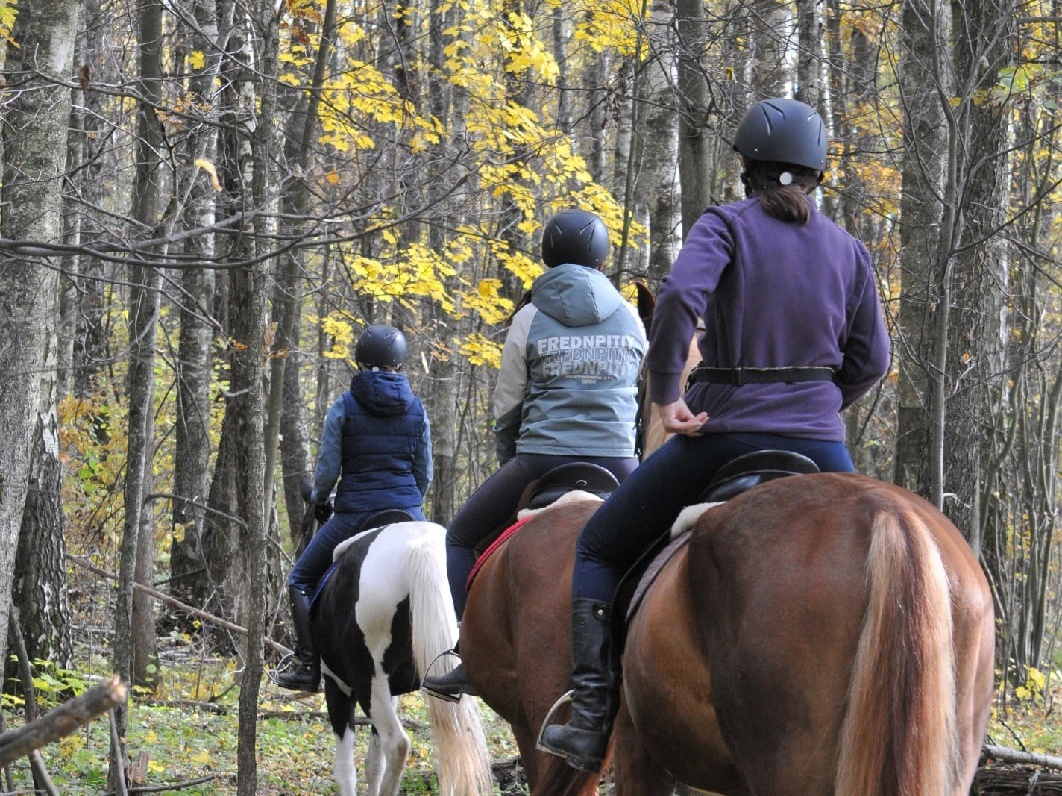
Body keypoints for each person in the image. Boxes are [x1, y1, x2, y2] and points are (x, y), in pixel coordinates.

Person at [538, 97, 892, 771]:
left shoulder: (725, 227)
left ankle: (589, 719)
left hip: (724, 432)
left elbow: (676, 300)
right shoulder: (848, 250)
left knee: (601, 544)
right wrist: (818, 402)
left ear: (747, 170)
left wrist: (668, 394)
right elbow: (872, 359)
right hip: (821, 447)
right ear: (816, 173)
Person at [420, 208, 648, 701]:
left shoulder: (530, 315)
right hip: (618, 459)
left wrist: (512, 458)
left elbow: (508, 402)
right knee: (664, 542)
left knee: (459, 536)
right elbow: (638, 390)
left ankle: (467, 655)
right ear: (603, 260)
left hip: (543, 457)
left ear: (547, 257)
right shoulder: (632, 316)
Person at [275, 324, 432, 692]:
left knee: (300, 579)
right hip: (408, 511)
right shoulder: (417, 409)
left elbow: (328, 471)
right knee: (450, 574)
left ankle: (309, 665)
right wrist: (410, 502)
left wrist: (319, 499)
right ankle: (453, 658)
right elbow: (424, 472)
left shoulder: (345, 406)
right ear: (399, 363)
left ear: (360, 361)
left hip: (357, 512)